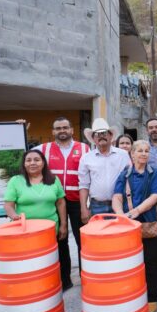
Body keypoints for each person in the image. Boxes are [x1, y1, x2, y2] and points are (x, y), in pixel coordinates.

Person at [35, 117, 89, 290]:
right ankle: (65, 280)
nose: (62, 131)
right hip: (54, 201)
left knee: (83, 241)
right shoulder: (43, 149)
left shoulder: (84, 148)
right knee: (60, 240)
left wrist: (86, 204)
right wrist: (19, 128)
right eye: (58, 128)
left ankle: (86, 278)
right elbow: (23, 155)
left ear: (72, 130)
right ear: (53, 132)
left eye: (65, 127)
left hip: (77, 200)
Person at [112, 140, 157, 312]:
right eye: (140, 151)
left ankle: (151, 298)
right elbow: (117, 196)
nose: (143, 154)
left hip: (150, 224)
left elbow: (155, 196)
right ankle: (134, 295)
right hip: (128, 226)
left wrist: (136, 211)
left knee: (151, 263)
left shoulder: (155, 173)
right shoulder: (124, 174)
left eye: (146, 151)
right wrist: (120, 214)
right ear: (132, 154)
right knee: (131, 264)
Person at [4, 151, 69, 290]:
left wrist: (64, 224)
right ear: (24, 164)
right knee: (30, 262)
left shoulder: (53, 179)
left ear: (43, 162)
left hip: (51, 230)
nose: (32, 163)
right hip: (26, 232)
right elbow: (8, 205)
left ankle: (52, 286)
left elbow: (61, 202)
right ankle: (33, 288)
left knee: (50, 260)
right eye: (28, 160)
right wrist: (14, 216)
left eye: (36, 160)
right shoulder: (16, 181)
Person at [79, 119, 131, 221]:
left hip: (120, 204)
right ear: (93, 139)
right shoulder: (86, 158)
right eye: (97, 134)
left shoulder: (123, 155)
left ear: (111, 136)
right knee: (99, 231)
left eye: (104, 133)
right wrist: (83, 208)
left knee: (120, 231)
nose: (101, 136)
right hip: (97, 206)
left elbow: (130, 179)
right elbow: (84, 185)